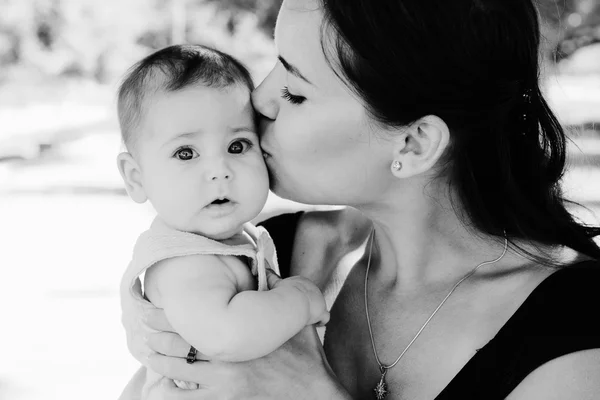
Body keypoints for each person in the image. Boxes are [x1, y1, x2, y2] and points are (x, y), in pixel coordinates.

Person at [120, 0, 600, 399]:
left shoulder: (573, 331)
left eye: (295, 91)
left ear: (413, 143)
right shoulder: (265, 254)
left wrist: (311, 391)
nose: (258, 101)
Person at [115, 44, 329, 398]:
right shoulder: (183, 262)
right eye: (186, 153)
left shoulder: (232, 240)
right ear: (136, 178)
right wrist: (300, 301)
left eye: (237, 146)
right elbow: (228, 335)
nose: (219, 172)